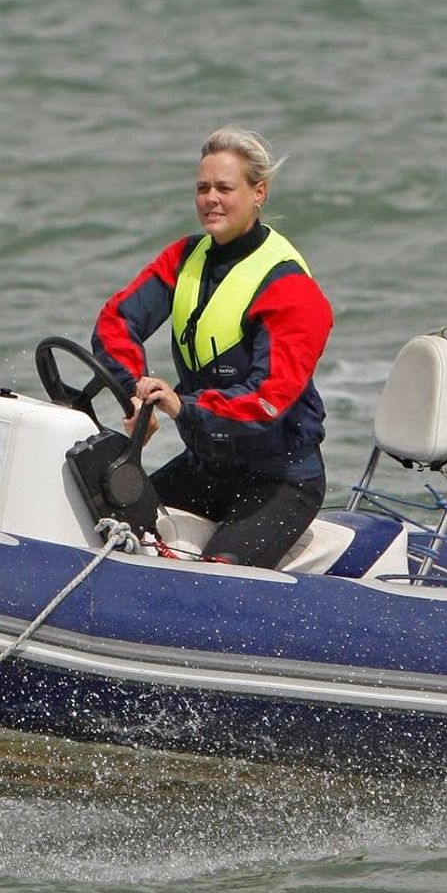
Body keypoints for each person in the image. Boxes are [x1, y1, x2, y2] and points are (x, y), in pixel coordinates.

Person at [91, 126, 333, 567]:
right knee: (104, 520)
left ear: (259, 192)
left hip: (279, 482)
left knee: (216, 572)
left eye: (225, 187)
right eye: (203, 188)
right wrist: (135, 394)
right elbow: (117, 321)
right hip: (206, 469)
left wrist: (183, 407)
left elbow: (267, 401)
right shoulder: (183, 259)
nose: (210, 199)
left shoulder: (290, 288)